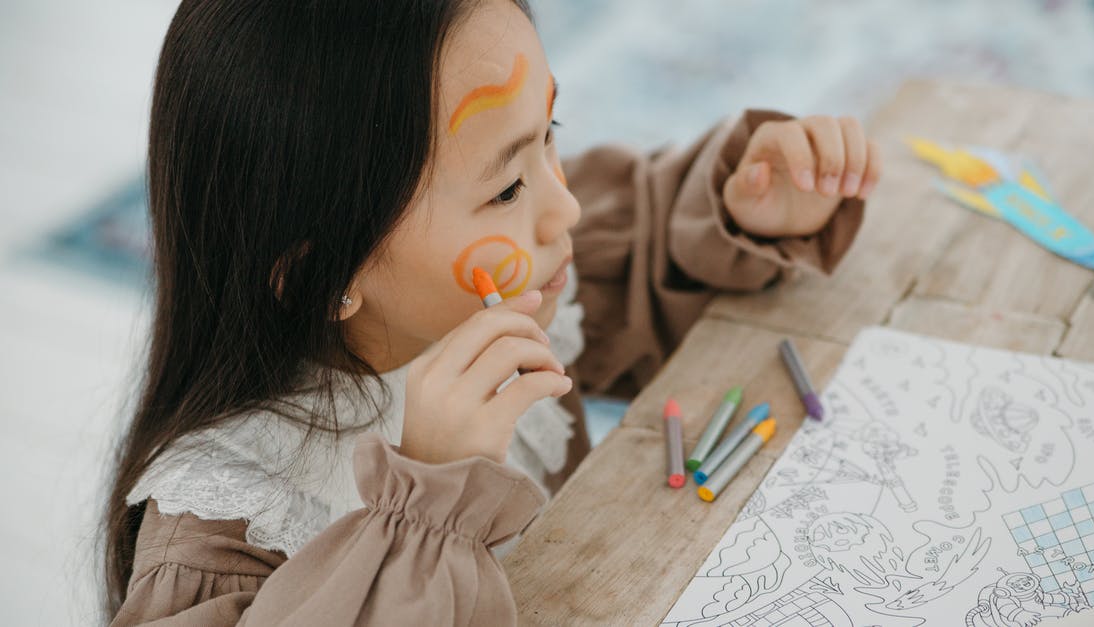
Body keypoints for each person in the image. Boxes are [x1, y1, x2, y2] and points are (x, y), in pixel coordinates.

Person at [102, 0, 879, 623]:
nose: (565, 206)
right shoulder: (221, 527)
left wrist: (750, 205)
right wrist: (427, 504)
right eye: (507, 187)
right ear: (323, 276)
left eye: (551, 135)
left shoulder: (522, 294)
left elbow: (643, 248)